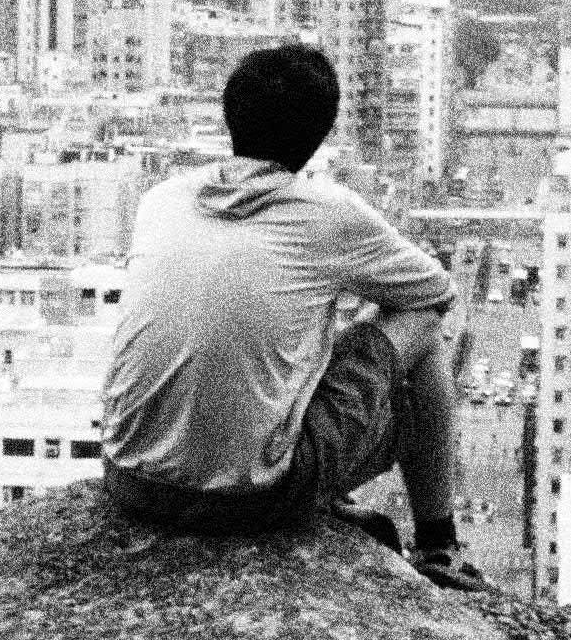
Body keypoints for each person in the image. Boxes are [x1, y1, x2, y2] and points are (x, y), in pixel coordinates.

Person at [95, 42, 489, 590]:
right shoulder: (328, 212)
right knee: (421, 333)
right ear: (320, 134)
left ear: (229, 114)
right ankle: (438, 544)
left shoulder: (160, 198)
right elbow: (435, 293)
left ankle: (322, 480)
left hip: (129, 480)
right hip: (250, 500)